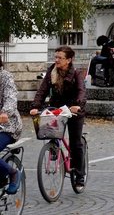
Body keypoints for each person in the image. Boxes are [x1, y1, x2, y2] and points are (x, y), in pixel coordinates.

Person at [31, 46, 87, 186]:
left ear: (68, 60)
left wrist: (78, 104)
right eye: (55, 57)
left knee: (75, 142)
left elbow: (81, 91)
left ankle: (79, 175)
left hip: (73, 108)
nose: (56, 60)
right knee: (50, 130)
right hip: (57, 106)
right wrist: (35, 106)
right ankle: (54, 147)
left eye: (60, 58)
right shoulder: (52, 71)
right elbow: (42, 90)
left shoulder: (76, 73)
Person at [0, 54, 22, 194]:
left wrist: (4, 112)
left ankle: (13, 173)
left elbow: (11, 97)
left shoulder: (5, 76)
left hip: (7, 126)